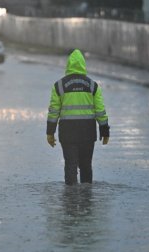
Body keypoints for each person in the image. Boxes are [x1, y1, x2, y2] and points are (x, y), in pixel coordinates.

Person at [46, 49, 110, 185]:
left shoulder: (59, 86)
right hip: (88, 131)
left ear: (68, 65)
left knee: (70, 165)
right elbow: (100, 111)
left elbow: (53, 112)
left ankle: (70, 199)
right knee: (86, 166)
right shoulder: (93, 86)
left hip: (68, 132)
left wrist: (50, 133)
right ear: (83, 65)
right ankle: (87, 199)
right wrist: (105, 131)